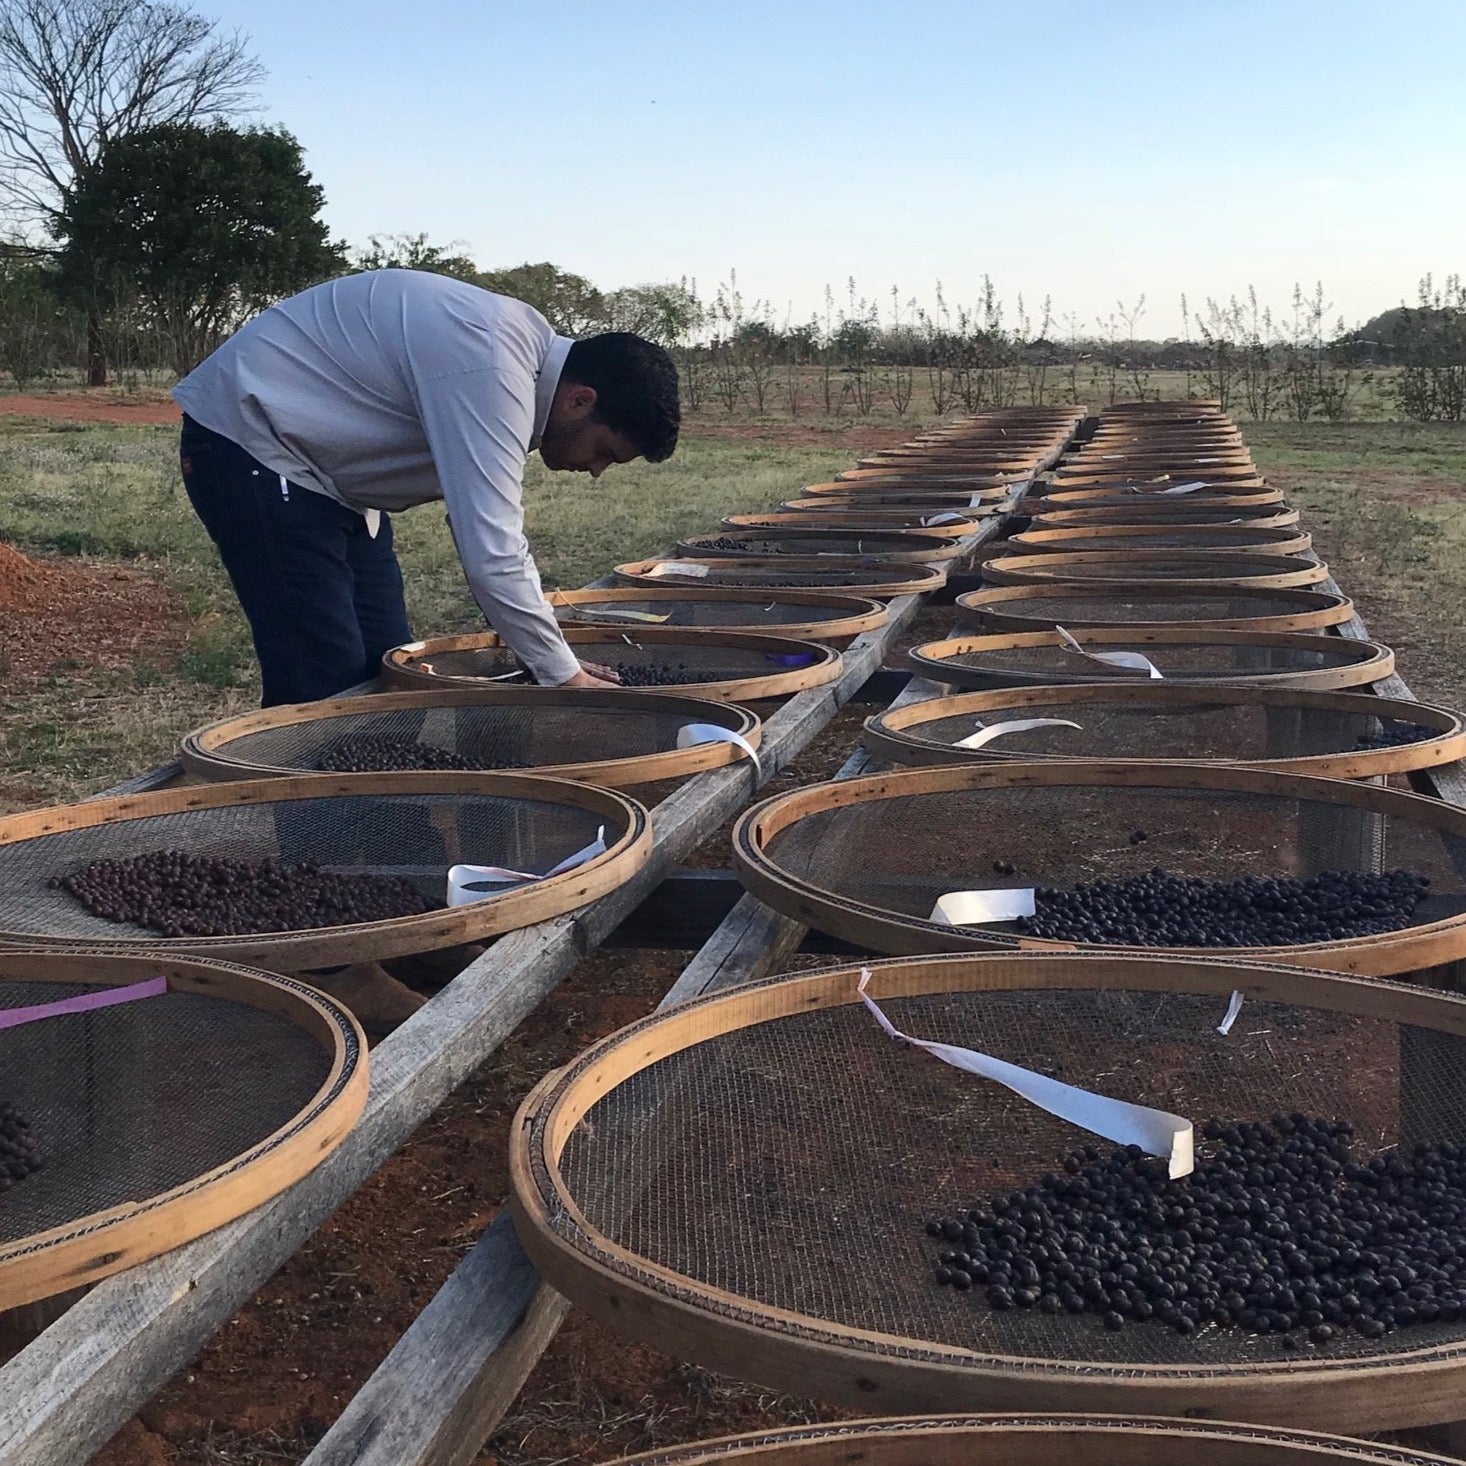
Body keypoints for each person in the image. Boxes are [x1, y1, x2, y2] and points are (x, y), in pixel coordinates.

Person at [173, 267, 681, 706]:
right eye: (605, 453)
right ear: (579, 401)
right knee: (323, 679)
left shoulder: (514, 353)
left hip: (332, 484)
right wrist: (562, 672)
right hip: (252, 441)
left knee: (388, 666)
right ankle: (320, 817)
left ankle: (395, 819)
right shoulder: (493, 364)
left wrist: (544, 655)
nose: (596, 470)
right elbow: (491, 546)